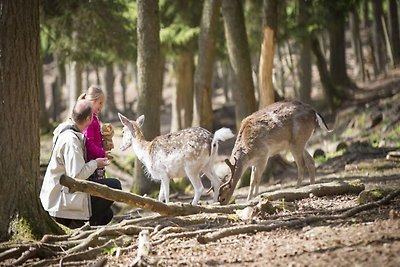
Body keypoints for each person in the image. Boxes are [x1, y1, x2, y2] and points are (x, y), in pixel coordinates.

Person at [40, 99, 121, 229]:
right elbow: (77, 176)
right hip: (61, 202)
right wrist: (96, 163)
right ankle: (76, 223)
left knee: (107, 214)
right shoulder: (71, 140)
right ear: (88, 119)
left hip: (66, 194)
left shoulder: (70, 130)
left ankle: (83, 223)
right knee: (115, 186)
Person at [78, 85, 110, 180]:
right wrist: (102, 153)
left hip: (97, 160)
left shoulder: (94, 117)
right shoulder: (89, 120)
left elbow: (95, 139)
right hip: (92, 163)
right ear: (92, 101)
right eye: (100, 103)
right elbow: (89, 144)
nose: (101, 106)